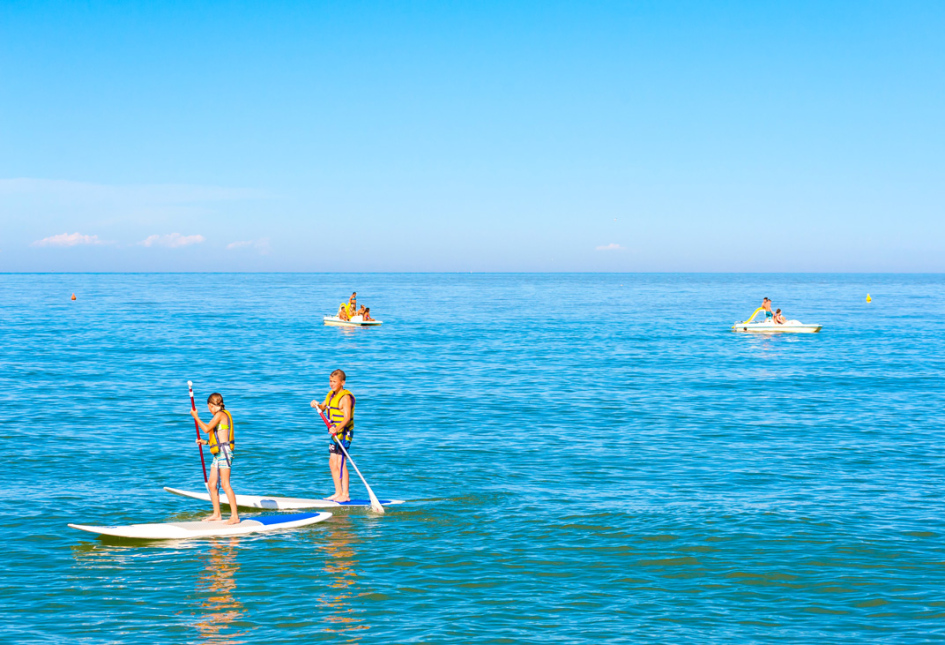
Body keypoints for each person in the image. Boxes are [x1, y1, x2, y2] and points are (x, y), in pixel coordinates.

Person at [191, 393, 240, 524]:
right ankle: (217, 514)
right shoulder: (220, 415)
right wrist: (205, 442)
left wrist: (196, 416)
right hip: (218, 454)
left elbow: (206, 428)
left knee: (225, 484)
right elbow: (220, 437)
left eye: (209, 407)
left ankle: (235, 517)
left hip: (224, 453)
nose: (209, 410)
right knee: (212, 485)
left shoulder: (220, 415)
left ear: (212, 405)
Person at [310, 370, 355, 502]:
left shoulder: (345, 398)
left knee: (341, 463)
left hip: (344, 433)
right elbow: (323, 407)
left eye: (334, 382)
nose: (332, 384)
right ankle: (338, 492)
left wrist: (337, 428)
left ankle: (345, 494)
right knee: (332, 462)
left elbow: (347, 418)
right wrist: (316, 405)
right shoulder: (331, 395)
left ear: (342, 382)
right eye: (330, 381)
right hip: (334, 433)